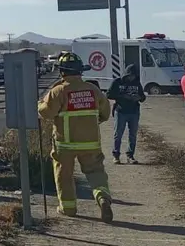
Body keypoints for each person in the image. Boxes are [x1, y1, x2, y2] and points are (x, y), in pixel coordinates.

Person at [38, 52, 113, 221]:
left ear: (62, 71)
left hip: (65, 144)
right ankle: (102, 197)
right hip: (91, 143)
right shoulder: (93, 90)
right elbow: (106, 113)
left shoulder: (58, 91)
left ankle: (68, 208)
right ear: (81, 71)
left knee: (64, 175)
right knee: (95, 172)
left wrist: (40, 104)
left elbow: (47, 113)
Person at [107, 64, 145, 163]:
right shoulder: (117, 82)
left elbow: (143, 97)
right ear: (126, 74)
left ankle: (130, 156)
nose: (132, 77)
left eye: (134, 75)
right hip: (121, 111)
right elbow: (109, 94)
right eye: (130, 75)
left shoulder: (137, 83)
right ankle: (116, 155)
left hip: (134, 112)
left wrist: (139, 97)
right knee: (118, 134)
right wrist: (123, 96)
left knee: (133, 134)